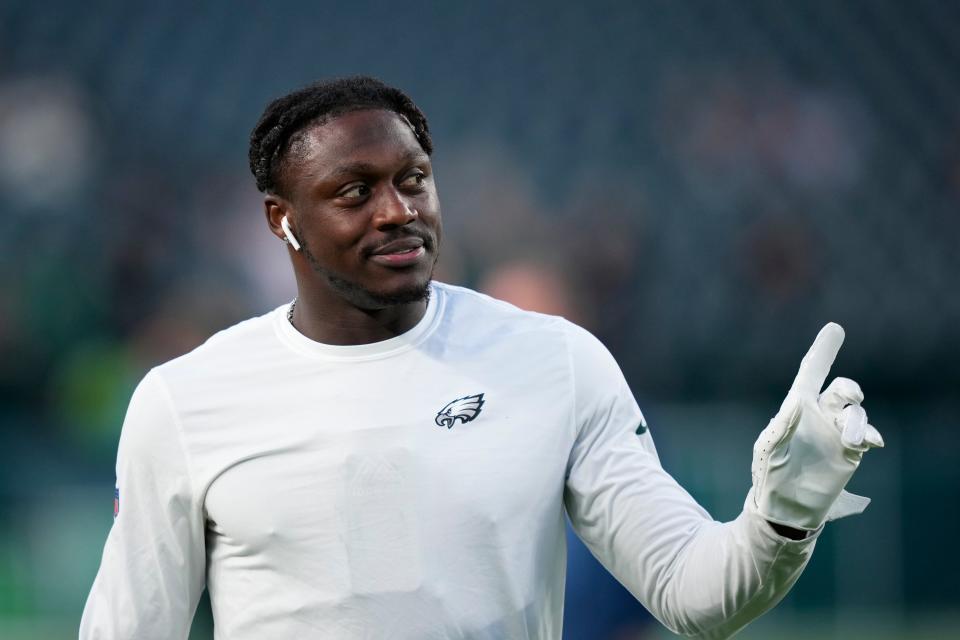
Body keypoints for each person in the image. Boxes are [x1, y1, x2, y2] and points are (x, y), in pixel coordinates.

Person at [80, 76, 883, 640]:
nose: (398, 211)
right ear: (280, 220)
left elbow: (694, 597)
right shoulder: (186, 401)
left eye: (414, 179)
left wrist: (784, 517)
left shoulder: (557, 360)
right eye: (354, 192)